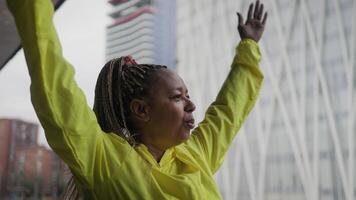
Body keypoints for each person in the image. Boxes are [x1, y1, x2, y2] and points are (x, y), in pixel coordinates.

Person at [7, 0, 267, 199]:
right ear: (141, 110)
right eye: (178, 97)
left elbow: (227, 112)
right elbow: (55, 85)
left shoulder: (195, 155)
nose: (191, 104)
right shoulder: (106, 161)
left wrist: (249, 47)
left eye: (187, 95)